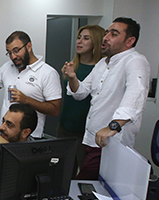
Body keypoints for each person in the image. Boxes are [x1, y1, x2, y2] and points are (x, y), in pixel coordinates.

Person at [63, 17, 150, 180]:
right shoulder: (103, 63)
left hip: (111, 141)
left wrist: (113, 126)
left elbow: (136, 94)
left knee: (83, 184)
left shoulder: (135, 61)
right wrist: (73, 77)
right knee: (92, 189)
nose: (106, 37)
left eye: (114, 34)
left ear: (130, 41)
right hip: (92, 139)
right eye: (107, 32)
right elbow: (81, 92)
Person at [0, 31, 62, 138]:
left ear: (28, 46)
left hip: (29, 137)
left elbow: (55, 110)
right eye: (9, 53)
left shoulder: (48, 73)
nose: (13, 56)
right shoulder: (7, 67)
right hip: (3, 132)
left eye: (16, 51)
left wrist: (26, 100)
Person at [57, 24, 105, 174]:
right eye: (79, 38)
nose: (79, 41)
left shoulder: (101, 69)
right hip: (65, 126)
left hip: (85, 131)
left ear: (96, 42)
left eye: (86, 38)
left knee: (85, 172)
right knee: (63, 170)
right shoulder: (71, 66)